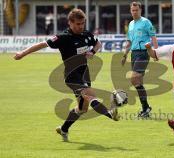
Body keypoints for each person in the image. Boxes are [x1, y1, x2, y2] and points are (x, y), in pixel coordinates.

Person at [14, 8, 119, 142]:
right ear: (70, 23)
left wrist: (92, 52)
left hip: (84, 74)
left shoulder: (86, 34)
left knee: (82, 109)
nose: (81, 27)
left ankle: (63, 129)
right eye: (78, 24)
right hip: (71, 76)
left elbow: (98, 43)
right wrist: (23, 54)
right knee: (90, 95)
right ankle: (110, 114)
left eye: (82, 24)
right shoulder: (63, 37)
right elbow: (42, 44)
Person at [121, 1, 158, 118]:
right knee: (138, 82)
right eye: (133, 10)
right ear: (130, 11)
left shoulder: (146, 22)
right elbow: (129, 41)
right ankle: (145, 108)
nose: (135, 12)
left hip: (143, 53)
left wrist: (157, 52)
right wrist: (125, 55)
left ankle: (146, 107)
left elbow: (153, 37)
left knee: (134, 79)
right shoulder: (131, 24)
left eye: (136, 10)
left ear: (140, 10)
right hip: (134, 54)